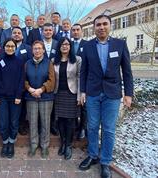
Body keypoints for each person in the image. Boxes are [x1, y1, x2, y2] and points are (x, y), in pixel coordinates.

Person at [79, 15, 133, 178]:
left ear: (110, 26)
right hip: (93, 93)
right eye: (98, 25)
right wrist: (82, 91)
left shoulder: (120, 44)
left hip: (112, 94)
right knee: (93, 126)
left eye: (104, 24)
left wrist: (129, 94)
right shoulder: (87, 46)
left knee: (109, 129)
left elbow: (127, 72)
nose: (101, 27)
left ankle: (106, 162)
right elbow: (84, 71)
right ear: (94, 27)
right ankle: (93, 155)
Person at [0, 38, 24, 158]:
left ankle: (11, 143)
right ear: (4, 47)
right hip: (2, 98)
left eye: (12, 46)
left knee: (14, 122)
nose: (10, 48)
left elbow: (22, 80)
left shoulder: (19, 62)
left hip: (15, 98)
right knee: (3, 122)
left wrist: (18, 95)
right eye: (8, 46)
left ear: (15, 48)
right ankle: (5, 143)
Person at [25, 40, 55, 158]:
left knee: (45, 122)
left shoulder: (48, 63)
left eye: (39, 48)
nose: (37, 50)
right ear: (32, 51)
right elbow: (23, 79)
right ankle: (33, 145)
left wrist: (41, 89)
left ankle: (44, 146)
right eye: (35, 48)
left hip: (45, 97)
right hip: (31, 96)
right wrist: (30, 89)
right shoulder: (27, 64)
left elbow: (52, 81)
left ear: (43, 50)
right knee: (32, 122)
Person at [52, 37, 81, 160]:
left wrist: (80, 95)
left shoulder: (77, 59)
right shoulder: (54, 60)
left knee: (70, 121)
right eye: (62, 44)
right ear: (59, 46)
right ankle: (63, 143)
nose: (65, 46)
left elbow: (80, 77)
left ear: (70, 46)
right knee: (60, 120)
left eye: (67, 44)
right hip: (58, 93)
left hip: (72, 93)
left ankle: (69, 145)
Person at [11, 27, 33, 135]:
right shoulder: (7, 47)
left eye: (19, 33)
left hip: (23, 80)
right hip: (9, 82)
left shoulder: (28, 48)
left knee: (23, 105)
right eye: (14, 33)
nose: (16, 34)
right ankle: (12, 125)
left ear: (22, 36)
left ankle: (22, 125)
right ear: (11, 35)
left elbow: (30, 64)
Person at [71, 23, 88, 139]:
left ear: (81, 31)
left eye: (78, 30)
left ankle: (83, 127)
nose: (76, 32)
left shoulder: (87, 44)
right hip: (71, 79)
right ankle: (74, 126)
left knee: (84, 106)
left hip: (84, 78)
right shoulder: (68, 44)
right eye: (74, 30)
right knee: (73, 105)